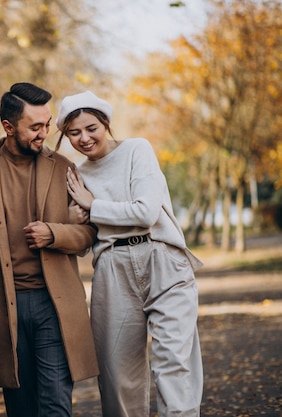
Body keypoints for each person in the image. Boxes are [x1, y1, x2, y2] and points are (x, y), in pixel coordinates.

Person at [55, 90, 204, 417]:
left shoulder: (138, 149)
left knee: (174, 365)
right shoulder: (77, 176)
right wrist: (73, 218)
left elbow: (145, 212)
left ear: (105, 124)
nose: (84, 138)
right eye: (74, 133)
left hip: (162, 259)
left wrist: (93, 206)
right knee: (116, 375)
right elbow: (81, 237)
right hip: (112, 270)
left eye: (91, 128)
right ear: (65, 135)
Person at [0, 82, 98, 417]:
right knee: (21, 407)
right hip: (4, 307)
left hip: (55, 304)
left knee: (55, 403)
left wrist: (54, 234)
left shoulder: (63, 168)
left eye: (47, 124)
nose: (45, 133)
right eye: (35, 127)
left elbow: (87, 234)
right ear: (9, 127)